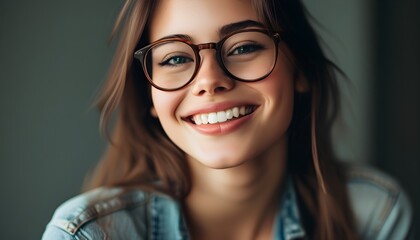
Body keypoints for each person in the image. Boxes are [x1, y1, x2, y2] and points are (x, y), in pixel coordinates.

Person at [42, 0, 412, 239]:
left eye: (244, 47)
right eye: (175, 58)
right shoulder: (86, 235)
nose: (210, 81)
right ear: (149, 96)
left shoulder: (374, 214)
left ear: (300, 67)